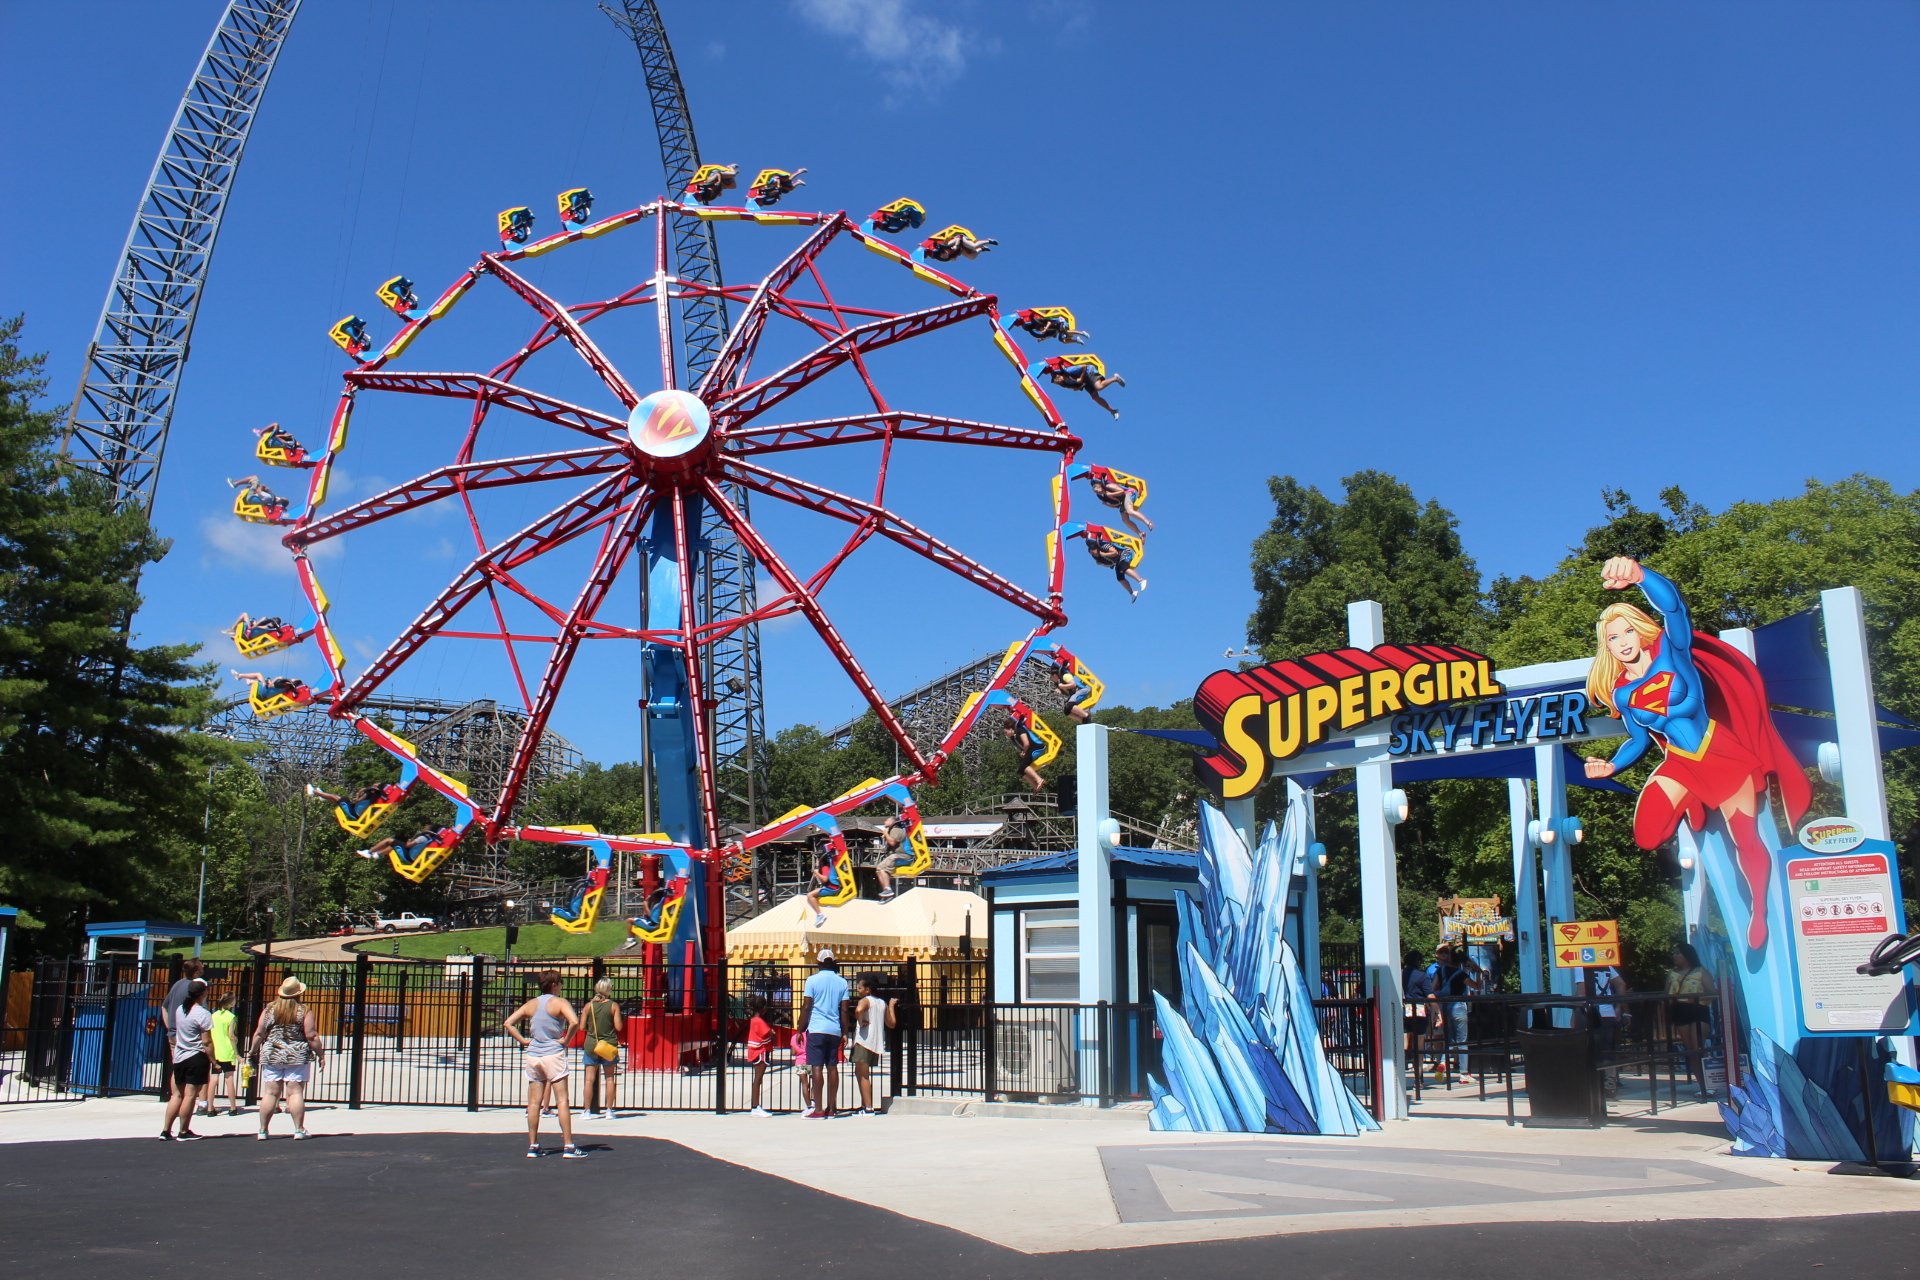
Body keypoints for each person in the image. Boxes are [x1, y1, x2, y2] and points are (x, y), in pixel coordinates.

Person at [1583, 556, 1811, 951]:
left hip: (1721, 755)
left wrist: (1641, 576)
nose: (1621, 644)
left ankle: (1759, 909)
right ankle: (1691, 800)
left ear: (1640, 632)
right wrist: (1612, 765)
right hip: (1680, 765)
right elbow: (1637, 742)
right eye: (1612, 639)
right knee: (1647, 834)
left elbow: (1674, 607)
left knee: (1746, 838)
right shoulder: (1621, 693)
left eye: (1625, 633)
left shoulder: (1673, 653)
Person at [504, 970, 584, 1158]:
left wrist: (523, 1041)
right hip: (552, 1054)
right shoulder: (560, 1002)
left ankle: (533, 1145)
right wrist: (565, 1040)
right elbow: (574, 1022)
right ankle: (569, 1145)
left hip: (534, 1055)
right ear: (554, 984)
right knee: (562, 1100)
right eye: (561, 983)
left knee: (533, 1103)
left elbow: (508, 1023)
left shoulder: (532, 1003)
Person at [253, 976, 324, 1140]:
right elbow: (311, 1035)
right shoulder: (303, 1010)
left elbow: (259, 1032)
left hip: (273, 1053)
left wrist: (253, 1051)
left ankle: (263, 1129)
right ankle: (298, 1129)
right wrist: (321, 1054)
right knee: (295, 1092)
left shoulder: (270, 1009)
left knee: (270, 1093)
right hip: (296, 1054)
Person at [797, 948, 851, 1119]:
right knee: (833, 1067)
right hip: (834, 1029)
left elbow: (807, 1006)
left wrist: (800, 1029)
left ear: (818, 963)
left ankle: (819, 1109)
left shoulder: (812, 980)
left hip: (817, 1028)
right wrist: (845, 1032)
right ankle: (832, 1107)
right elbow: (844, 1010)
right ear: (833, 962)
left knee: (817, 1066)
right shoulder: (842, 982)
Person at [161, 978, 212, 1141]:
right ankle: (183, 1131)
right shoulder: (203, 1014)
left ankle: (166, 1130)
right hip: (195, 1056)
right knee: (190, 1095)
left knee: (176, 1095)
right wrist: (214, 1060)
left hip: (180, 1055)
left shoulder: (180, 1010)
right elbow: (206, 1041)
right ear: (203, 993)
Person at [1665, 942, 1717, 1098]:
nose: (1674, 956)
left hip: (1698, 1010)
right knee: (1691, 1051)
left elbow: (1713, 993)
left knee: (1699, 1046)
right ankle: (1702, 1085)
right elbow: (1667, 994)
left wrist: (1694, 998)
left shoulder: (1701, 972)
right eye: (1674, 953)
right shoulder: (1672, 974)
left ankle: (1710, 1084)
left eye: (1678, 953)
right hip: (1680, 1011)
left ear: (1687, 955)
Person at [1429, 944, 1479, 1085]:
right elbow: (1477, 986)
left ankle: (1443, 1062)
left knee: (1450, 1039)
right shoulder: (1462, 974)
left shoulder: (1441, 971)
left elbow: (1433, 988)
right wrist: (1478, 972)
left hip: (1445, 1006)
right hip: (1458, 1005)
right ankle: (1464, 1073)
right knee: (1462, 1041)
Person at [850, 973, 895, 1116]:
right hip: (876, 1043)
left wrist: (860, 1020)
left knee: (862, 1075)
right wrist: (892, 1006)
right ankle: (865, 1103)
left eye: (860, 988)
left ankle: (868, 1107)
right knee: (862, 1073)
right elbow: (891, 1023)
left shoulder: (866, 1000)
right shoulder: (882, 1003)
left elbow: (858, 1010)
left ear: (868, 989)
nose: (858, 990)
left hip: (864, 1041)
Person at [160, 958, 204, 1097]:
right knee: (196, 1071)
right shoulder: (194, 987)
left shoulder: (177, 984)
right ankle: (196, 1100)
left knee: (177, 1067)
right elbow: (200, 1013)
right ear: (196, 970)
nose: (203, 969)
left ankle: (176, 1096)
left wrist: (170, 1027)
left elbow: (164, 1007)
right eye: (201, 967)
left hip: (173, 1034)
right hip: (189, 1036)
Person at [580, 978, 623, 1119]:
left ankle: (586, 1111)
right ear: (609, 989)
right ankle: (609, 1110)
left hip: (592, 1044)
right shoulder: (613, 1006)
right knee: (609, 1078)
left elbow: (581, 1027)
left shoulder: (589, 1006)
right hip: (608, 1044)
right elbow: (618, 1027)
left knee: (589, 1079)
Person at [1589, 963, 1627, 1098]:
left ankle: (1594, 1084)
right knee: (1607, 1050)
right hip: (1608, 1012)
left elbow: (1582, 990)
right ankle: (1610, 1084)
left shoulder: (1581, 966)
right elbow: (1621, 984)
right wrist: (1618, 1007)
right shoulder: (1606, 966)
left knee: (1591, 1049)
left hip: (1592, 1013)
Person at [203, 991, 242, 1117]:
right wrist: (236, 1053)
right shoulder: (231, 1017)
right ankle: (232, 1107)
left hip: (216, 1050)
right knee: (229, 1078)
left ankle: (210, 1108)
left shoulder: (213, 1015)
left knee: (214, 1079)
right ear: (230, 1003)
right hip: (227, 1051)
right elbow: (231, 1036)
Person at [1043, 359, 1125, 418]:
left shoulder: (1069, 371)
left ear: (1060, 374)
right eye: (1056, 381)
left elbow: (1084, 366)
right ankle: (1112, 410)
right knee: (1095, 397)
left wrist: (1080, 379)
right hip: (1084, 381)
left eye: (1057, 378)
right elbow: (1074, 386)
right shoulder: (1064, 383)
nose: (1057, 381)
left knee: (1098, 387)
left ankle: (1115, 378)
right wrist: (1078, 386)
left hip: (1088, 371)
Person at [1086, 469, 1154, 535]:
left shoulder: (1109, 486)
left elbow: (1121, 491)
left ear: (1101, 487)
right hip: (1122, 501)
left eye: (1098, 489)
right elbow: (1115, 505)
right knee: (1125, 520)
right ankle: (1140, 533)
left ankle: (1148, 522)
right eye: (1097, 492)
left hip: (1128, 493)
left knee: (1129, 511)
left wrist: (1111, 494)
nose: (1099, 492)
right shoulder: (1103, 496)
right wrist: (1108, 504)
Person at [1402, 951, 1435, 1083]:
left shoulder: (1401, 974)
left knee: (1406, 1039)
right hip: (1419, 1009)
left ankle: (1403, 1060)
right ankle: (1418, 1076)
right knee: (1419, 1044)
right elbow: (1430, 995)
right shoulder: (1422, 976)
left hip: (1405, 1008)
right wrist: (1437, 1012)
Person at [1083, 533, 1147, 601]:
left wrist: (1103, 554)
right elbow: (1111, 564)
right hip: (1118, 560)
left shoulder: (1103, 546)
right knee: (1119, 577)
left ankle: (1141, 580)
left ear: (1096, 549)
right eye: (1091, 554)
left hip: (1124, 552)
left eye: (1093, 552)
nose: (1093, 554)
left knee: (1123, 568)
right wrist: (1102, 563)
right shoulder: (1099, 558)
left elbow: (1115, 552)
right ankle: (1132, 593)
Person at [745, 995, 780, 1116]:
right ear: (762, 1008)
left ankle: (755, 1106)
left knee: (757, 1079)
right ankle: (755, 1107)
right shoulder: (759, 1021)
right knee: (758, 1079)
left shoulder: (754, 1020)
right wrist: (773, 1033)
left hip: (756, 1050)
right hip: (760, 1051)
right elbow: (769, 1033)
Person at [1003, 713, 1046, 792]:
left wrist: (1024, 752)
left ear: (1010, 729)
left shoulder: (1020, 729)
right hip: (1030, 749)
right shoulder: (1013, 738)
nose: (1006, 735)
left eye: (1006, 732)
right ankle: (1035, 786)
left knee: (1024, 765)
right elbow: (1021, 748)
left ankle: (1039, 780)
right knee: (1020, 770)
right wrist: (1021, 753)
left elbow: (1026, 744)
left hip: (1037, 747)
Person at [805, 839, 843, 927]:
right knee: (816, 891)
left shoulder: (825, 866)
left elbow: (825, 879)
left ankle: (820, 915)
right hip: (834, 887)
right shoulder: (831, 862)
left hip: (832, 888)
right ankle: (823, 907)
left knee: (810, 895)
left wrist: (816, 873)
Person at [358, 824, 442, 863]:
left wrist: (410, 840)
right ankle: (378, 854)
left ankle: (369, 852)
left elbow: (408, 845)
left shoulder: (423, 838)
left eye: (425, 827)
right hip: (411, 858)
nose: (424, 828)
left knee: (389, 840)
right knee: (394, 845)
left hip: (408, 856)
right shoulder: (429, 840)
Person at [306, 780, 390, 818]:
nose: (374, 784)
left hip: (354, 813)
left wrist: (357, 795)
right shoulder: (374, 795)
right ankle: (322, 796)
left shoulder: (371, 792)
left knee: (337, 797)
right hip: (357, 811)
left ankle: (314, 792)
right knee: (341, 799)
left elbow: (357, 800)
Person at [872, 817, 911, 901]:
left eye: (887, 820)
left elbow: (892, 843)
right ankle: (886, 891)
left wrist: (886, 834)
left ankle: (888, 890)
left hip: (904, 856)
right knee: (879, 869)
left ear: (892, 822)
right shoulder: (891, 830)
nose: (884, 821)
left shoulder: (896, 830)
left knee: (882, 867)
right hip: (898, 855)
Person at [230, 669, 310, 702]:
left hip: (264, 692)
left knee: (259, 674)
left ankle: (240, 676)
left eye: (293, 679)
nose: (292, 678)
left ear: (293, 681)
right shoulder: (288, 689)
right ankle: (250, 681)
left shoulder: (283, 683)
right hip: (267, 696)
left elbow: (271, 685)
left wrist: (276, 679)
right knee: (262, 681)